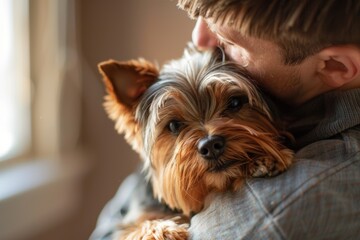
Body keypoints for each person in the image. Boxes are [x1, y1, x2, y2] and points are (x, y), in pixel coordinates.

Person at [90, 0, 360, 239]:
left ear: (335, 65)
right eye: (175, 126)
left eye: (233, 103)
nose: (200, 40)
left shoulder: (267, 218)